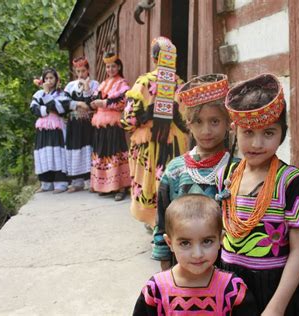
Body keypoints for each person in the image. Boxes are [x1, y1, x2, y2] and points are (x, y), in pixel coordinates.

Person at [215, 74, 299, 315]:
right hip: (230, 288)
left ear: (282, 134)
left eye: (268, 133)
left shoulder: (292, 182)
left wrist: (276, 307)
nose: (257, 143)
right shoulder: (226, 175)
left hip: (277, 290)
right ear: (235, 131)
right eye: (248, 133)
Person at [151, 74, 231, 270]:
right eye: (198, 121)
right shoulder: (175, 171)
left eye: (215, 121)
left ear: (229, 122)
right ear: (188, 123)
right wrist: (165, 271)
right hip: (183, 267)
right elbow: (163, 220)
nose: (206, 130)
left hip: (225, 269)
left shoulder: (236, 169)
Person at [133, 194, 257, 315]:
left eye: (207, 241)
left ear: (221, 240)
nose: (197, 254)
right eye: (185, 243)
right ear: (169, 243)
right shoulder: (155, 290)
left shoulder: (233, 290)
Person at [122, 36, 188, 224]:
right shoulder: (180, 85)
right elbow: (186, 119)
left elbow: (129, 119)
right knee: (171, 179)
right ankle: (171, 220)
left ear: (154, 59)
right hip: (174, 142)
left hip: (148, 142)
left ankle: (153, 221)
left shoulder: (144, 82)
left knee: (148, 181)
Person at [90, 52, 131, 201]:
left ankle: (121, 187)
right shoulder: (103, 83)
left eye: (113, 66)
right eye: (108, 67)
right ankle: (106, 186)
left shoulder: (122, 83)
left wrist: (105, 103)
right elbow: (94, 96)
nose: (110, 69)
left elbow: (123, 101)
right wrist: (94, 102)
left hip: (114, 123)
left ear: (119, 67)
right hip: (100, 123)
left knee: (115, 152)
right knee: (103, 153)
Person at [63, 56, 99, 192]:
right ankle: (76, 182)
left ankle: (90, 181)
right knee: (75, 149)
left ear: (88, 70)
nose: (80, 74)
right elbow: (64, 103)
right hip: (74, 122)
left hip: (87, 123)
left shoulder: (95, 84)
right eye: (78, 71)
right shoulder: (70, 86)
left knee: (88, 148)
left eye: (83, 71)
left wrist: (86, 89)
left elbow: (91, 103)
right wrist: (78, 104)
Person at [30, 67, 69, 193]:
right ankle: (46, 183)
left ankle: (61, 183)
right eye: (46, 78)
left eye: (51, 78)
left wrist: (47, 97)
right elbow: (34, 109)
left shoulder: (61, 94)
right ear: (42, 79)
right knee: (44, 153)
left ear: (56, 79)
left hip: (56, 127)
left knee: (57, 153)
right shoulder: (37, 94)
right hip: (43, 127)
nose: (49, 80)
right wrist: (46, 110)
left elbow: (60, 109)